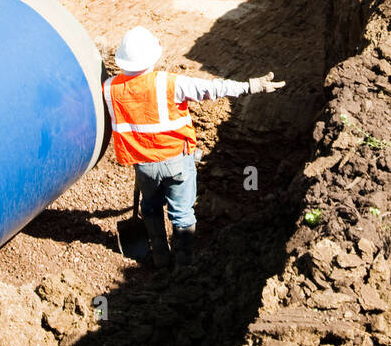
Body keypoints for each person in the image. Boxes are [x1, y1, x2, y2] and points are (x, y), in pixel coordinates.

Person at [104, 26, 285, 268]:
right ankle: (184, 267)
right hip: (177, 163)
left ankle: (160, 258)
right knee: (182, 215)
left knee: (150, 207)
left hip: (144, 166)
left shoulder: (109, 89)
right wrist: (250, 86)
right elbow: (213, 89)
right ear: (152, 57)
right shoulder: (169, 84)